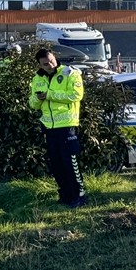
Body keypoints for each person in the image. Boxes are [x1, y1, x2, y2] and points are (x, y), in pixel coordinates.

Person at [29, 48, 87, 207]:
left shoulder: (69, 73)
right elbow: (33, 104)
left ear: (55, 57)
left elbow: (76, 95)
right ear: (39, 65)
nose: (49, 65)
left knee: (71, 163)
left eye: (51, 61)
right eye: (45, 64)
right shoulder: (37, 78)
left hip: (67, 126)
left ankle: (79, 195)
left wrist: (49, 95)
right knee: (56, 165)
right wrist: (38, 98)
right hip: (49, 127)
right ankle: (65, 195)